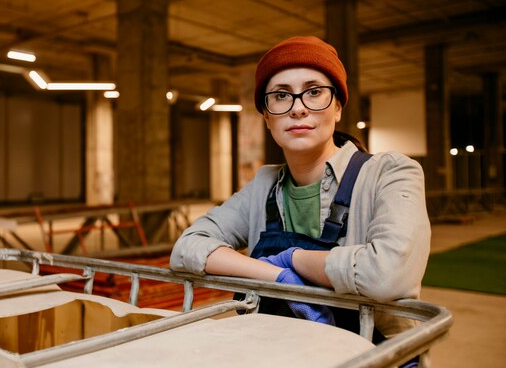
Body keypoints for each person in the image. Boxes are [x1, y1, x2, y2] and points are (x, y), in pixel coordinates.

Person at [169, 36, 431, 339]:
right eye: (281, 95)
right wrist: (278, 275)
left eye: (314, 92)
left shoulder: (391, 173)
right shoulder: (263, 186)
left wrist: (292, 259)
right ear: (267, 117)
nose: (297, 109)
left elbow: (387, 275)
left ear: (337, 108)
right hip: (286, 351)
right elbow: (186, 248)